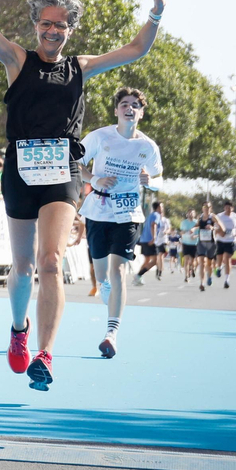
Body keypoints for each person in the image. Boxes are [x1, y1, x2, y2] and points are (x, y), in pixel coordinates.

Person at [0, 0, 167, 392]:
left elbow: (137, 49)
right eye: (46, 23)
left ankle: (45, 354)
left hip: (62, 169)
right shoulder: (17, 59)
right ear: (35, 24)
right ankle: (19, 328)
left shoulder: (80, 67)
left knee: (50, 261)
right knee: (23, 265)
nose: (53, 31)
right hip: (19, 167)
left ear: (71, 28)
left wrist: (156, 12)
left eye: (61, 25)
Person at [79, 87, 163, 358]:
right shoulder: (100, 136)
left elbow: (159, 178)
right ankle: (107, 293)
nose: (130, 108)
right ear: (116, 110)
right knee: (102, 276)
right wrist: (94, 179)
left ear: (141, 112)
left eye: (135, 105)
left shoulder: (148, 146)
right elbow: (74, 162)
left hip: (128, 213)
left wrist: (150, 182)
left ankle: (111, 333)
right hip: (98, 210)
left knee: (118, 272)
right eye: (124, 104)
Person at [135, 200, 168, 285]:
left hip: (144, 240)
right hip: (150, 240)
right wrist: (153, 238)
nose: (163, 208)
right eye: (161, 207)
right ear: (158, 207)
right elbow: (153, 225)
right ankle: (138, 275)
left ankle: (138, 278)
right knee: (155, 261)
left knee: (147, 260)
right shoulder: (156, 215)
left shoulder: (151, 215)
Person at [215, 200, 236, 288]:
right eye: (226, 208)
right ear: (224, 208)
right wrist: (220, 232)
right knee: (219, 258)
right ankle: (218, 268)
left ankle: (227, 280)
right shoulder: (219, 216)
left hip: (231, 240)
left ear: (232, 208)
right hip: (220, 240)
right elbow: (214, 227)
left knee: (227, 259)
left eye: (230, 208)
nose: (228, 209)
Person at [194, 203, 219, 289]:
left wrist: (213, 228)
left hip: (211, 242)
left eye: (208, 207)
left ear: (210, 208)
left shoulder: (213, 217)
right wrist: (193, 229)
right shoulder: (200, 217)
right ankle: (202, 283)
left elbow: (219, 226)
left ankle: (209, 276)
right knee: (202, 262)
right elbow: (197, 225)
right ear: (202, 208)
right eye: (205, 207)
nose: (206, 208)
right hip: (201, 242)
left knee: (209, 263)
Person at [179, 209, 199, 282]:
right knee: (186, 260)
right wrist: (182, 233)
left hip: (194, 243)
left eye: (192, 213)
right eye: (189, 213)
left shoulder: (197, 222)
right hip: (185, 243)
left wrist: (195, 236)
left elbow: (200, 233)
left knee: (193, 261)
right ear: (187, 214)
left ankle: (193, 268)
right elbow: (181, 232)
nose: (190, 214)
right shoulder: (183, 222)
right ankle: (186, 276)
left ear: (194, 214)